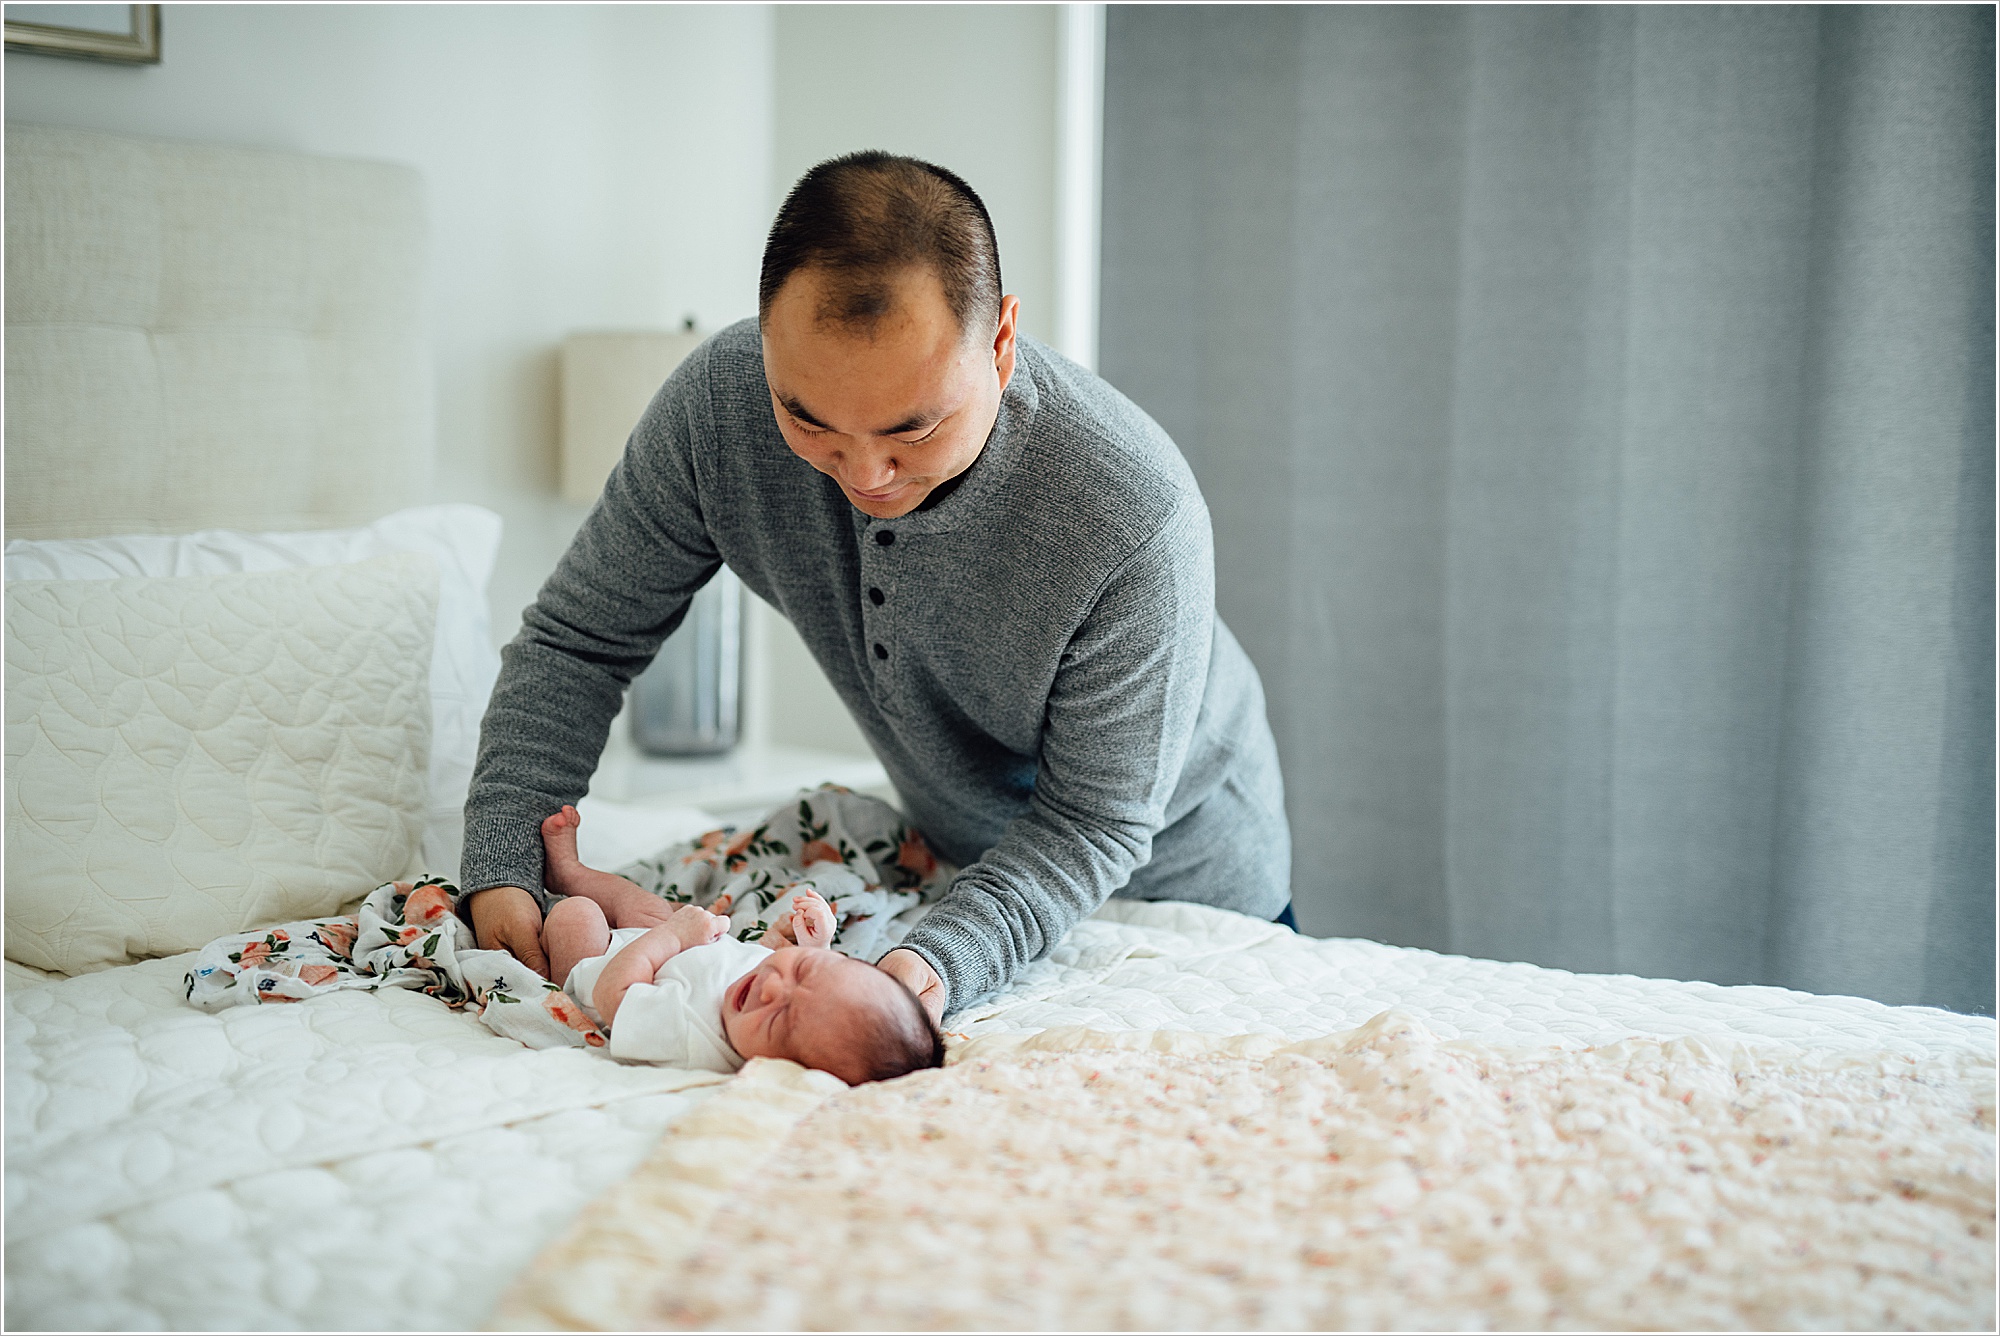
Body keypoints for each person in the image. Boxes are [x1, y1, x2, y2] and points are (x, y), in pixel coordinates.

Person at [459, 150, 1292, 1023]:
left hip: (1184, 887)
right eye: (807, 419)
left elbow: (1093, 823)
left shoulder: (1134, 513)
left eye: (915, 428)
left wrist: (938, 959)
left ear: (1002, 343)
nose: (866, 474)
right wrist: (505, 853)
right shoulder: (720, 406)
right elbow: (579, 642)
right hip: (961, 864)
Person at [542, 805, 942, 1084]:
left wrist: (672, 936)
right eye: (803, 968)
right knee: (643, 902)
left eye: (781, 1020)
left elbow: (613, 994)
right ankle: (573, 872)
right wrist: (815, 944)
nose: (771, 986)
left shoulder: (691, 1034)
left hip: (609, 961)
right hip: (670, 939)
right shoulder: (780, 993)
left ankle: (570, 889)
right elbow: (818, 989)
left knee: (575, 916)